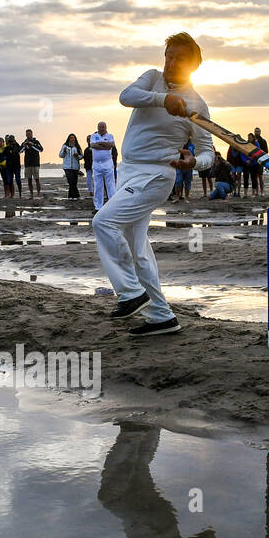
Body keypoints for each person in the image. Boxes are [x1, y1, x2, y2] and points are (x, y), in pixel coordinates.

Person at [93, 31, 216, 338]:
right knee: (137, 248)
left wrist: (194, 163)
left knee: (104, 222)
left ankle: (131, 293)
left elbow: (208, 152)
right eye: (168, 56)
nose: (171, 63)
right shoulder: (150, 79)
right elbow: (126, 97)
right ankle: (161, 316)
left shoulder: (196, 104)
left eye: (179, 59)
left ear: (193, 66)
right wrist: (164, 100)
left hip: (157, 175)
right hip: (128, 170)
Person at [89, 120, 117, 210]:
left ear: (106, 128)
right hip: (96, 165)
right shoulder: (93, 136)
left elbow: (111, 145)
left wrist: (100, 144)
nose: (101, 129)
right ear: (97, 128)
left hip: (108, 163)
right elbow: (93, 145)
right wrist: (105, 145)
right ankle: (98, 207)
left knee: (110, 185)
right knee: (98, 186)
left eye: (103, 127)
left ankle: (112, 206)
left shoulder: (110, 136)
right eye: (100, 127)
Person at [59, 133, 83, 198]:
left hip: (75, 167)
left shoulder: (77, 146)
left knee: (74, 182)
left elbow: (82, 156)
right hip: (67, 167)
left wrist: (77, 156)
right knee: (70, 181)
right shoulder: (65, 146)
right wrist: (64, 152)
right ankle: (76, 195)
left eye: (73, 138)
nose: (72, 139)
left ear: (75, 139)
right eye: (71, 138)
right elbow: (60, 155)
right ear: (68, 139)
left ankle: (70, 196)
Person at [22, 128, 43, 197]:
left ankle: (38, 193)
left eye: (29, 134)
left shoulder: (36, 141)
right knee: (29, 180)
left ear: (32, 134)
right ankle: (31, 194)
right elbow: (19, 152)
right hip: (27, 164)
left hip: (35, 163)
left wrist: (32, 145)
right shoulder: (24, 142)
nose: (28, 135)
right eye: (27, 134)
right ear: (25, 135)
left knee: (37, 179)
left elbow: (41, 150)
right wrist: (24, 146)